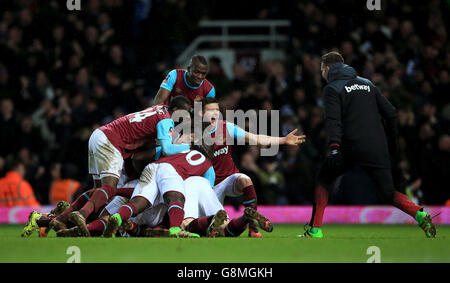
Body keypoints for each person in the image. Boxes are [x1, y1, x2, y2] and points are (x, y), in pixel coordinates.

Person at [297, 51, 436, 239]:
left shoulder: (332, 88)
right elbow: (391, 113)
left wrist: (335, 147)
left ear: (327, 68)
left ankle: (315, 230)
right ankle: (419, 214)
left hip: (349, 145)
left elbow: (333, 121)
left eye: (322, 70)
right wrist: (391, 143)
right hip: (376, 146)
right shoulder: (368, 84)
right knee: (388, 192)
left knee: (324, 180)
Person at [49, 96, 192, 234]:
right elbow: (166, 149)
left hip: (99, 135)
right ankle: (81, 214)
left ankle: (60, 219)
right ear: (175, 109)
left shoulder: (158, 109)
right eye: (185, 112)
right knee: (110, 188)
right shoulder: (166, 120)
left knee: (98, 191)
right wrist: (186, 146)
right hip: (112, 142)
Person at [199, 97, 305, 237]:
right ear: (201, 114)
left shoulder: (226, 127)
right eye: (211, 110)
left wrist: (283, 140)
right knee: (221, 231)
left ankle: (253, 228)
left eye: (217, 110)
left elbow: (256, 138)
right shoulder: (193, 134)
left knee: (245, 180)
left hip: (229, 178)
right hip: (208, 187)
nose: (215, 113)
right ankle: (245, 219)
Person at [103, 144, 215, 238]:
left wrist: (116, 190)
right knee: (176, 199)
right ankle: (175, 229)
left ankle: (117, 217)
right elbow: (207, 190)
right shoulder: (208, 165)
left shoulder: (180, 148)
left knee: (139, 203)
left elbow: (138, 157)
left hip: (152, 167)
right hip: (170, 170)